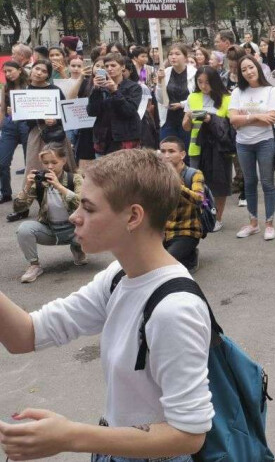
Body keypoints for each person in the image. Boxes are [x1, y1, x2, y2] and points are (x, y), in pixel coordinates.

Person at [0, 148, 213, 461]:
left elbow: (189, 435)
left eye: (88, 207)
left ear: (133, 216)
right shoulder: (118, 276)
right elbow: (26, 335)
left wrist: (71, 436)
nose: (75, 216)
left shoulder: (174, 310)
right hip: (113, 447)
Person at [7, 59, 68, 223]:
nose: (39, 72)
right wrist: (15, 111)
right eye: (36, 69)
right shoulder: (24, 91)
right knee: (32, 168)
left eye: (43, 70)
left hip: (56, 134)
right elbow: (23, 120)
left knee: (61, 167)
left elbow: (65, 112)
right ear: (31, 70)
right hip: (36, 134)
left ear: (48, 74)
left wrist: (55, 120)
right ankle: (22, 207)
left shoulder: (55, 90)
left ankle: (67, 203)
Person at [13, 142, 84, 283]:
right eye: (45, 163)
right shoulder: (39, 181)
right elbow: (19, 208)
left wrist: (58, 186)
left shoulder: (74, 178)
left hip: (75, 229)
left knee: (89, 229)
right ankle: (34, 265)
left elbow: (82, 204)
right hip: (51, 230)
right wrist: (27, 187)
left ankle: (78, 248)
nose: (50, 166)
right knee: (24, 229)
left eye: (54, 162)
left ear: (63, 161)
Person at [229, 55, 275, 241]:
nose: (248, 72)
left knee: (267, 182)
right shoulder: (237, 92)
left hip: (264, 141)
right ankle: (253, 224)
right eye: (244, 70)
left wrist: (245, 117)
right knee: (249, 183)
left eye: (251, 67)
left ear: (257, 67)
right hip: (243, 143)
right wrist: (256, 117)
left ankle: (269, 224)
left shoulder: (271, 91)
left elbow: (271, 120)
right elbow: (233, 120)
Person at [183, 67, 232, 233]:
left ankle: (217, 218)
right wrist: (189, 116)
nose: (203, 86)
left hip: (219, 146)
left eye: (207, 82)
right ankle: (200, 216)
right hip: (197, 145)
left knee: (219, 183)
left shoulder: (226, 98)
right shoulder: (193, 97)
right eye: (200, 82)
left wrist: (211, 119)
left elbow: (229, 125)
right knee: (197, 183)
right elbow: (186, 127)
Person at [86, 53, 144, 157]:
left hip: (125, 138)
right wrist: (96, 91)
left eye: (113, 65)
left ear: (122, 67)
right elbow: (91, 112)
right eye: (106, 66)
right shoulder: (100, 87)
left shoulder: (133, 87)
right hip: (103, 138)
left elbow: (129, 110)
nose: (109, 69)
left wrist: (115, 91)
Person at [159, 136, 204, 272]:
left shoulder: (194, 174)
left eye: (171, 151)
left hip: (186, 231)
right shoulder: (157, 174)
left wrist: (177, 186)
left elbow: (199, 199)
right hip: (162, 232)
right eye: (163, 151)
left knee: (163, 265)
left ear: (182, 154)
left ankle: (189, 254)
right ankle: (184, 255)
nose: (166, 155)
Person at [0, 61, 30, 204]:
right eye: (5, 72)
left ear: (19, 70)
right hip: (9, 126)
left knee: (29, 161)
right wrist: (3, 124)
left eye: (10, 70)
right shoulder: (6, 87)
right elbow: (2, 108)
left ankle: (29, 193)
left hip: (26, 124)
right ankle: (5, 193)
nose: (7, 74)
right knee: (2, 162)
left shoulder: (30, 85)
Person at [156, 44, 197, 148]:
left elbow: (197, 96)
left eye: (177, 54)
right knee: (166, 149)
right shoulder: (165, 73)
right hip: (169, 118)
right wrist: (160, 82)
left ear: (185, 57)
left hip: (187, 118)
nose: (173, 57)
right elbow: (160, 99)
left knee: (186, 150)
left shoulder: (194, 73)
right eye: (170, 54)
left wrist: (182, 104)